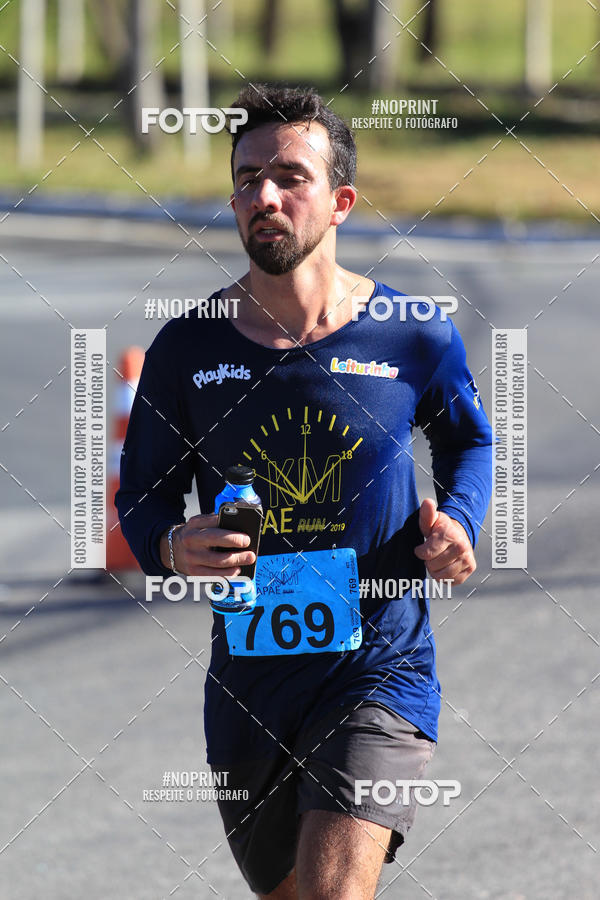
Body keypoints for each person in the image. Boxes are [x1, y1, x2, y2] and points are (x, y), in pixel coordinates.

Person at [116, 83, 493, 899]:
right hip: (250, 685)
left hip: (380, 668)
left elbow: (467, 438)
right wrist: (172, 545)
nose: (266, 196)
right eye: (248, 179)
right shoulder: (186, 349)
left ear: (340, 202)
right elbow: (142, 493)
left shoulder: (412, 332)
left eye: (290, 177)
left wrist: (460, 521)